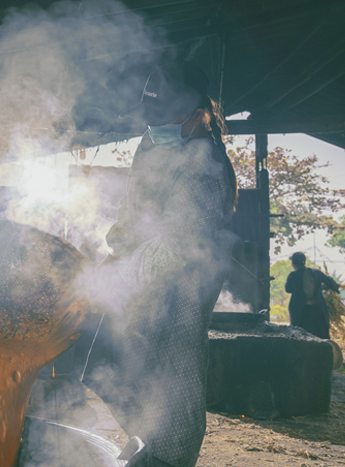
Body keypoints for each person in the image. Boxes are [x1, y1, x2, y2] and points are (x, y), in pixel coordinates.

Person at [82, 61, 238, 467]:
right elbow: (132, 210)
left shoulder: (207, 165)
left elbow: (182, 244)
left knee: (174, 377)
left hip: (184, 286)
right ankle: (146, 439)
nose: (154, 129)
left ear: (199, 117)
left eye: (165, 121)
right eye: (150, 121)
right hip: (138, 273)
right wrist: (114, 251)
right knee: (114, 361)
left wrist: (121, 275)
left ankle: (170, 458)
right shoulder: (152, 143)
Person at [285, 252, 340, 339]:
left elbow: (288, 289)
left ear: (293, 264)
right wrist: (333, 288)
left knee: (301, 336)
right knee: (321, 335)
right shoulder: (316, 273)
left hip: (301, 312)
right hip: (317, 309)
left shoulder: (293, 275)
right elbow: (331, 283)